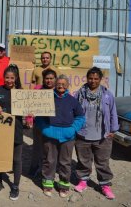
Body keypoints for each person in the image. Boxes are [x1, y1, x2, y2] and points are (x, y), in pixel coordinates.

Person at [35, 75, 85, 198]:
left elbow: (80, 117)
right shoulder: (47, 98)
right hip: (50, 134)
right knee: (49, 160)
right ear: (55, 84)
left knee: (65, 162)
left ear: (68, 85)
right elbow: (39, 116)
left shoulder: (72, 100)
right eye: (58, 83)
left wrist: (73, 129)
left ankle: (63, 185)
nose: (61, 86)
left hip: (67, 137)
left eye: (64, 83)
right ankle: (48, 184)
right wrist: (44, 129)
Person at [73, 67, 119, 200]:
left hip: (103, 135)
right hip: (83, 133)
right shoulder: (79, 94)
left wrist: (113, 130)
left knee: (103, 162)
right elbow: (74, 112)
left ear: (100, 79)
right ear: (87, 78)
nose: (93, 81)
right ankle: (83, 181)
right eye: (90, 78)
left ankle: (105, 185)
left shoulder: (107, 94)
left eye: (96, 78)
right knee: (83, 160)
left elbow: (112, 113)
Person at [0, 64, 24, 200]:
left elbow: (28, 111)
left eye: (12, 78)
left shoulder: (21, 92)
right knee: (0, 157)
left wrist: (29, 115)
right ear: (3, 78)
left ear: (16, 78)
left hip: (17, 130)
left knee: (17, 159)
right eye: (7, 77)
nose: (9, 80)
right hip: (1, 131)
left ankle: (15, 186)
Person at [29, 69, 57, 177]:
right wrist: (29, 119)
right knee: (37, 148)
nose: (49, 81)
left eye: (51, 78)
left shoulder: (58, 91)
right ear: (43, 79)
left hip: (53, 125)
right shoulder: (38, 91)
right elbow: (30, 105)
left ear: (55, 79)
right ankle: (34, 167)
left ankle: (48, 171)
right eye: (47, 78)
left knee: (50, 149)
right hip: (39, 124)